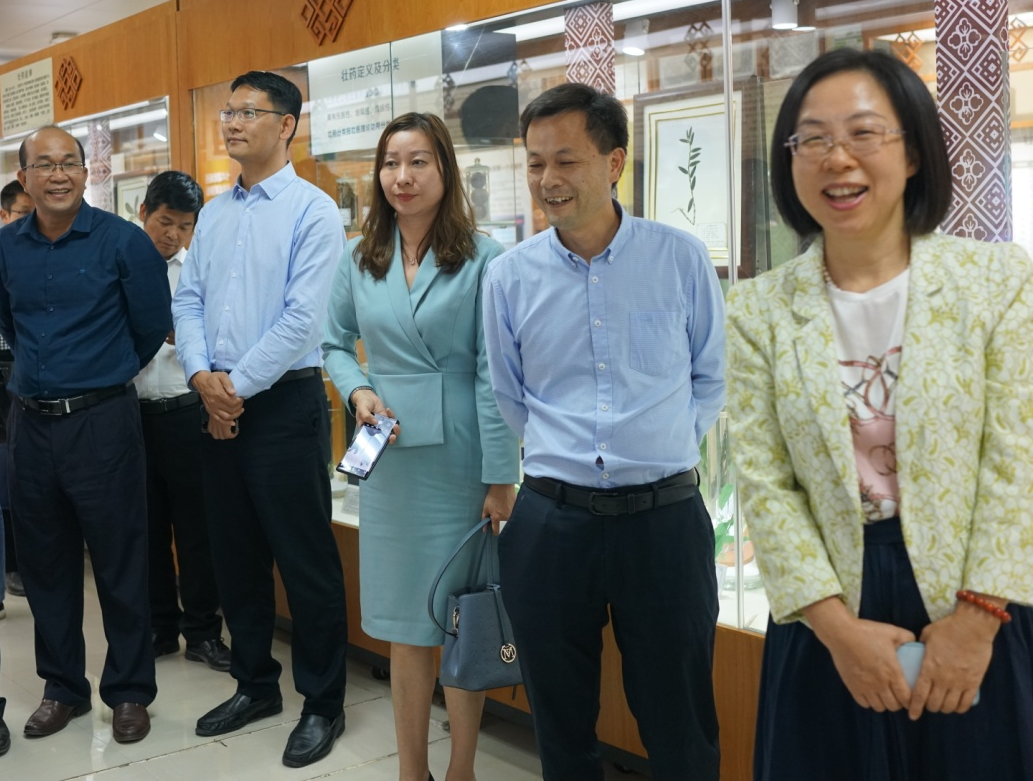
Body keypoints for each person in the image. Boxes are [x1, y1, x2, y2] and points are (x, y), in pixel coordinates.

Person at [725, 48, 1033, 781]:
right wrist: (836, 630)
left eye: (863, 133)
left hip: (975, 602)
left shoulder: (996, 280)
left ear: (913, 152)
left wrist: (976, 618)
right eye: (812, 139)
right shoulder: (757, 309)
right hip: (826, 609)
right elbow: (764, 481)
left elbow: (1017, 456)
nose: (838, 159)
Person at [482, 83, 726, 781]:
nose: (547, 180)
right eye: (534, 163)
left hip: (663, 521)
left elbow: (710, 375)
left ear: (614, 161)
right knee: (560, 725)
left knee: (680, 721)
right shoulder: (508, 276)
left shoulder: (678, 258)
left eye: (565, 161)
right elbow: (509, 393)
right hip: (551, 522)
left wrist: (659, 447)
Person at [323, 112, 519, 781]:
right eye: (390, 163)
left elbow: (496, 374)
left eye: (418, 162)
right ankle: (413, 771)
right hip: (389, 458)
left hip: (461, 457)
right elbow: (332, 342)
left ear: (444, 170)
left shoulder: (486, 257)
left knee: (462, 619)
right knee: (406, 626)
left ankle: (461, 769)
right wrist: (358, 389)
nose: (401, 177)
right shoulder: (359, 255)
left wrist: (501, 476)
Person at [172, 70, 349, 769]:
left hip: (282, 405)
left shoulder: (313, 211)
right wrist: (200, 377)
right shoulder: (214, 212)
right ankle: (255, 684)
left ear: (287, 125)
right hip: (215, 397)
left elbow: (303, 318)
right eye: (229, 110)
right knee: (234, 555)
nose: (233, 122)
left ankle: (323, 702)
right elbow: (188, 300)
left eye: (250, 111)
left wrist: (231, 391)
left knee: (305, 562)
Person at [0, 125, 171, 744]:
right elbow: (9, 323)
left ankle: (128, 691)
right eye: (44, 165)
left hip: (102, 422)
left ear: (87, 171)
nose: (58, 175)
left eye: (69, 163)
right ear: (24, 177)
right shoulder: (5, 246)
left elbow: (150, 325)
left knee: (121, 560)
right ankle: (62, 688)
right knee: (45, 565)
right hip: (30, 424)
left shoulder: (123, 241)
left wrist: (98, 371)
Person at [134, 171, 231, 673]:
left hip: (185, 412)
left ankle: (203, 632)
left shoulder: (200, 272)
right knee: (145, 528)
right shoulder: (123, 264)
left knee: (197, 530)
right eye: (164, 221)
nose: (172, 234)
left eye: (184, 226)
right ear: (143, 213)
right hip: (131, 416)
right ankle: (158, 627)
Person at [0, 180, 31, 602]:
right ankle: (11, 565)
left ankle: (22, 564)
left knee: (21, 475)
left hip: (25, 377)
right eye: (22, 213)